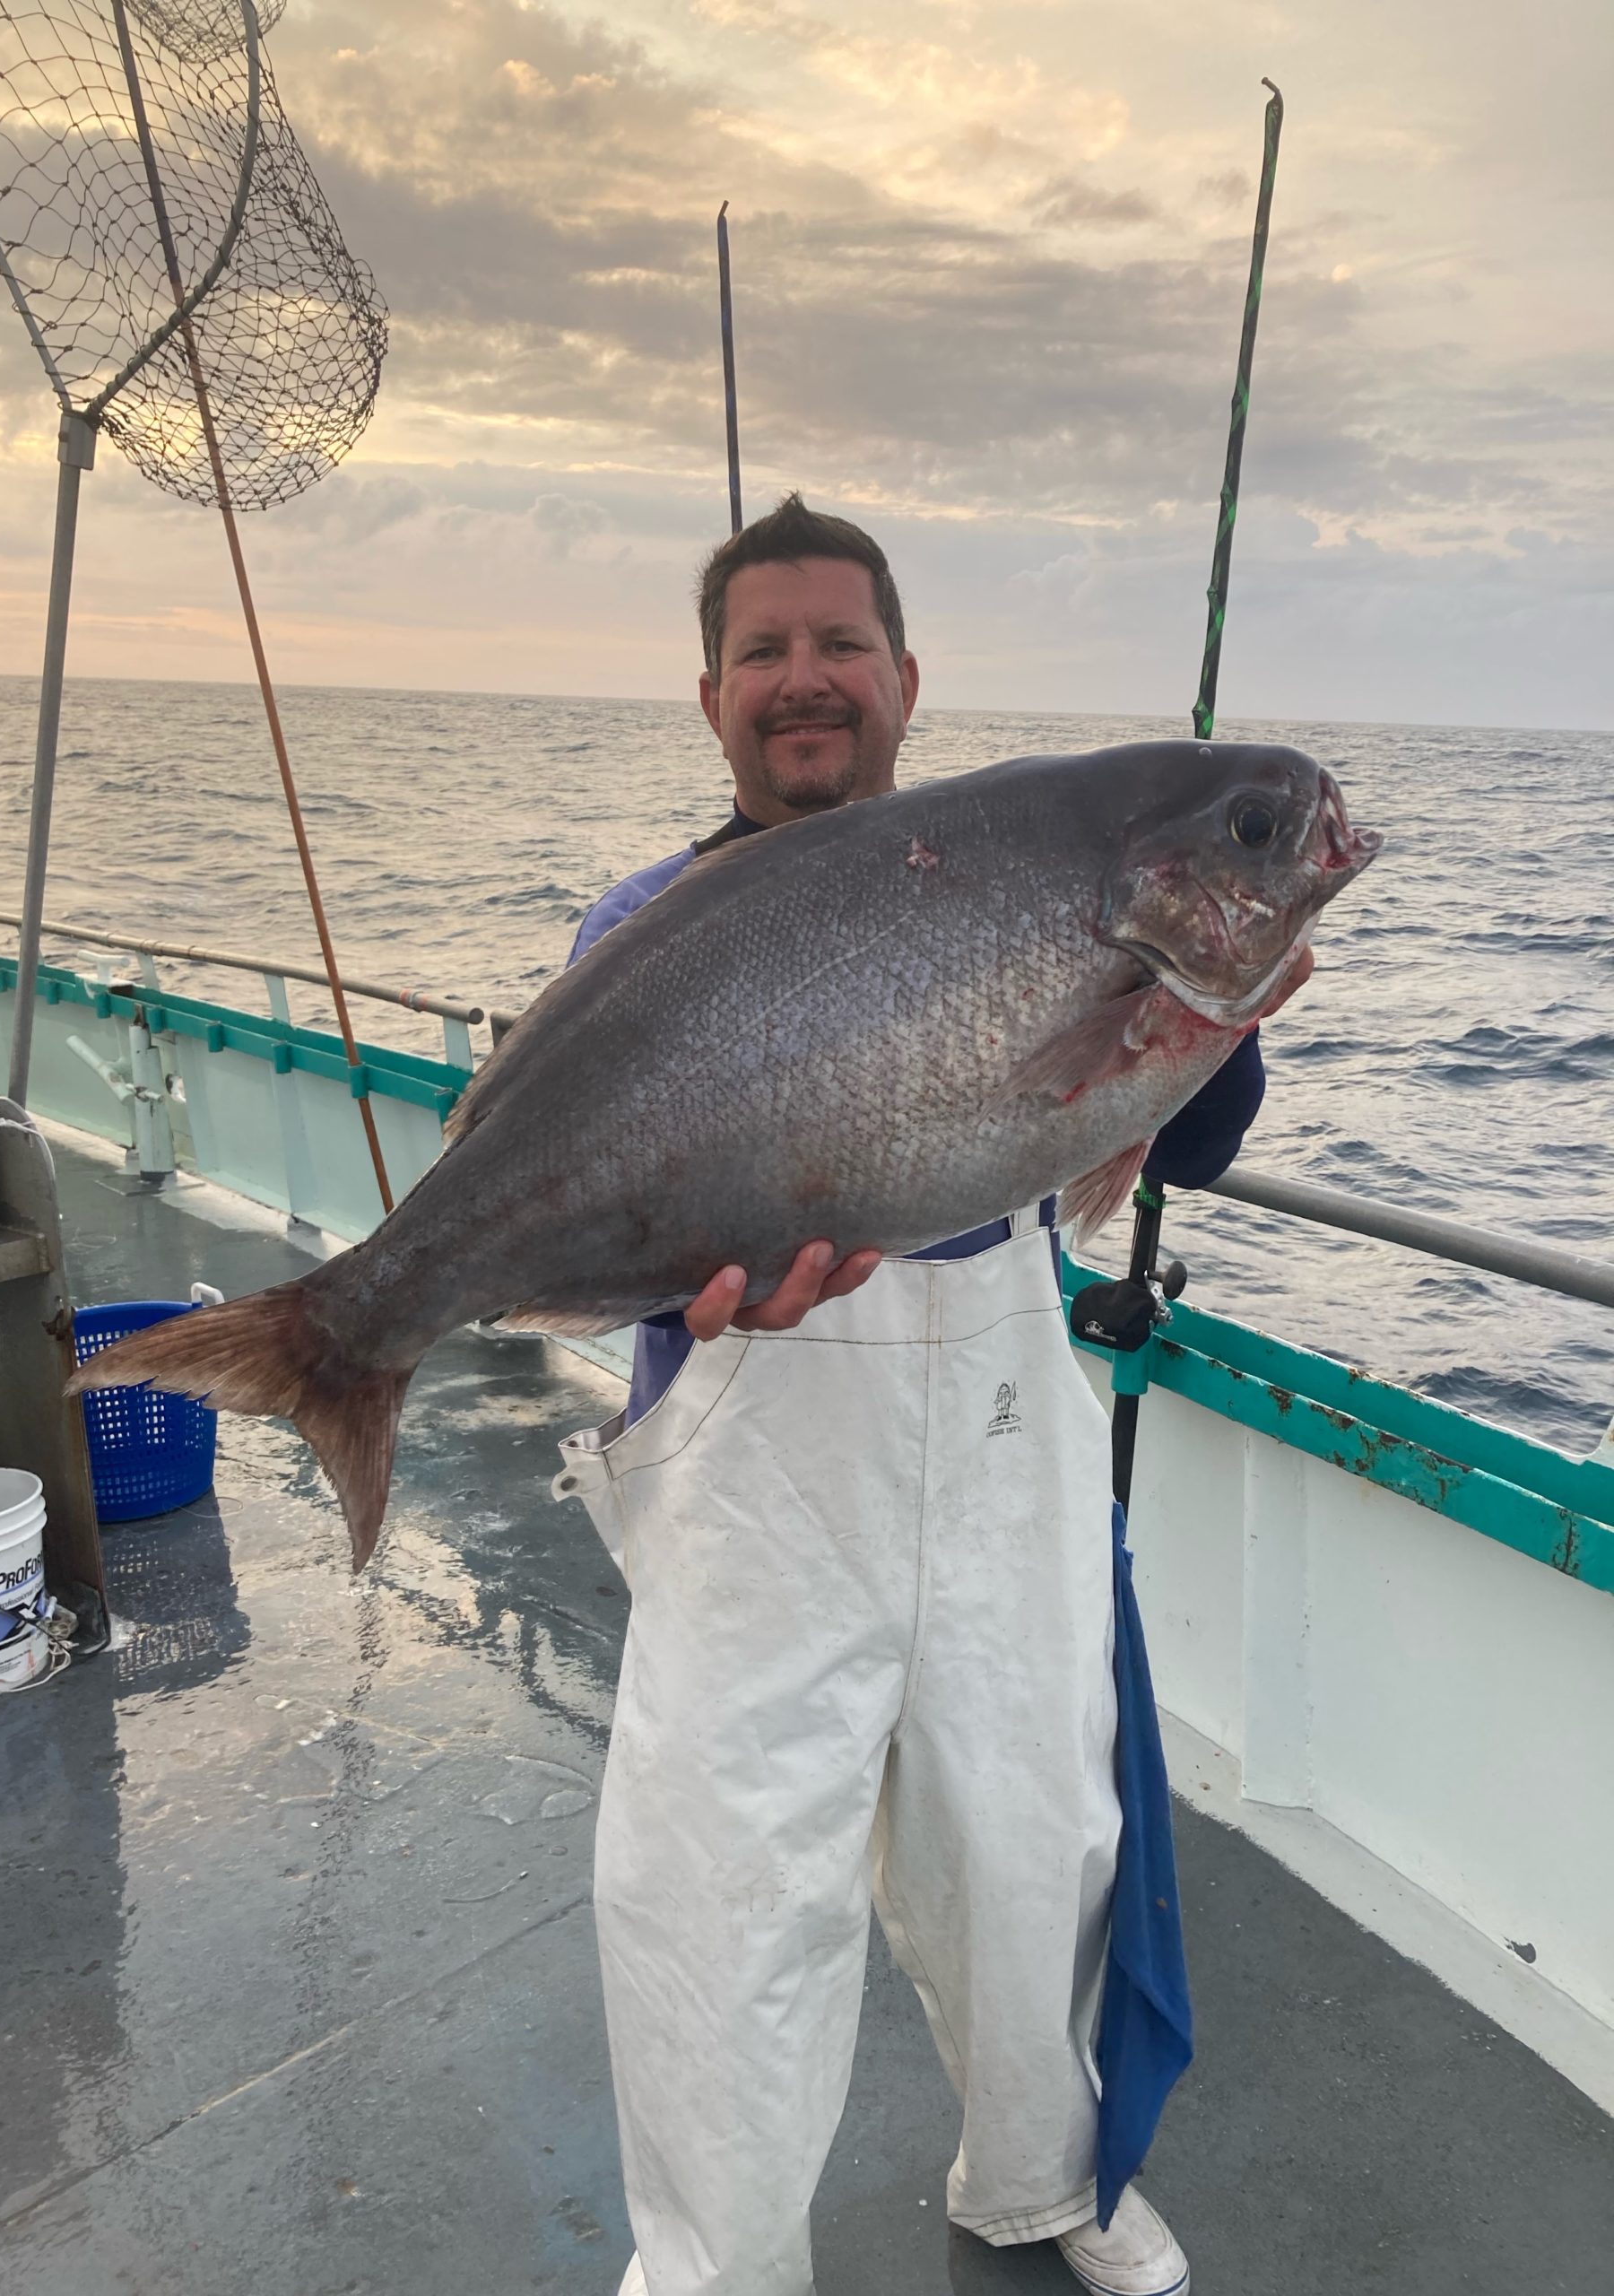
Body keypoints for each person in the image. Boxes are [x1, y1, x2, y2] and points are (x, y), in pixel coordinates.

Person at [555, 494, 1299, 2296]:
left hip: (996, 1413)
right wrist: (688, 1285)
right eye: (763, 649)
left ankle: (1053, 2175)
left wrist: (1218, 998)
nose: (803, 678)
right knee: (722, 1889)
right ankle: (713, 2268)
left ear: (906, 677)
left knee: (1038, 1829)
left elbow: (1186, 1132)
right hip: (748, 1430)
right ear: (710, 694)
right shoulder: (640, 921)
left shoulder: (1028, 877)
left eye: (839, 644)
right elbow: (600, 1196)